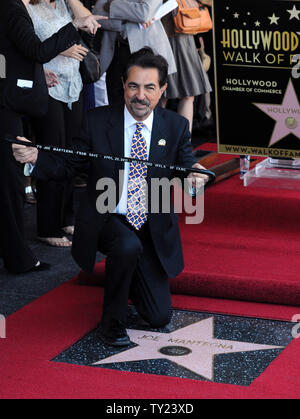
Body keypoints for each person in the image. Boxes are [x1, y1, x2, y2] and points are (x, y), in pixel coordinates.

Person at [12, 48, 209, 346]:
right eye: (133, 86)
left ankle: (127, 278)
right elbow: (69, 163)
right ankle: (112, 323)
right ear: (122, 84)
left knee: (158, 317)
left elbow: (185, 166)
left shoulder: (175, 125)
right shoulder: (97, 121)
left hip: (150, 227)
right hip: (107, 217)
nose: (140, 95)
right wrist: (34, 158)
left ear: (163, 90)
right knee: (126, 245)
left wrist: (196, 178)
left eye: (149, 88)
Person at [0, 0, 105, 273]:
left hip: (20, 97)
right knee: (10, 182)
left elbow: (19, 54)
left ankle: (18, 254)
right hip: (8, 103)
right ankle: (18, 256)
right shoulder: (11, 7)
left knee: (11, 180)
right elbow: (36, 50)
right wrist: (72, 27)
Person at [27, 0, 95, 248]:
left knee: (72, 152)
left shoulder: (65, 6)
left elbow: (89, 23)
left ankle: (66, 217)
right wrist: (61, 50)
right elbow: (30, 48)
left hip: (73, 84)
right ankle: (47, 226)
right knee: (52, 152)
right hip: (48, 85)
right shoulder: (28, 8)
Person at [93, 0, 177, 106]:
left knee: (147, 105)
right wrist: (123, 23)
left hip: (147, 55)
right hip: (116, 52)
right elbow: (97, 15)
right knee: (116, 105)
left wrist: (113, 5)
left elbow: (144, 13)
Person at [161, 2, 212, 133]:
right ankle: (155, 143)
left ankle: (184, 146)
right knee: (159, 94)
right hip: (162, 32)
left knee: (188, 94)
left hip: (184, 30)